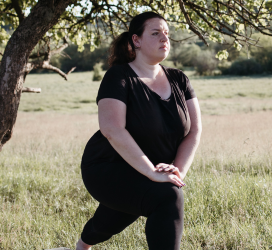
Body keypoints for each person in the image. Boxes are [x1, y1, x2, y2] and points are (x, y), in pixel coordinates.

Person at [75, 12, 202, 250]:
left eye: (166, 33)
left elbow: (194, 130)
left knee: (113, 217)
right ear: (136, 41)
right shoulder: (118, 76)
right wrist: (151, 173)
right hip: (107, 166)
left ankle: (82, 246)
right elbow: (112, 129)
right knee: (167, 197)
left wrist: (178, 171)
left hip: (150, 167)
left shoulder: (179, 79)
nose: (164, 38)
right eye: (155, 33)